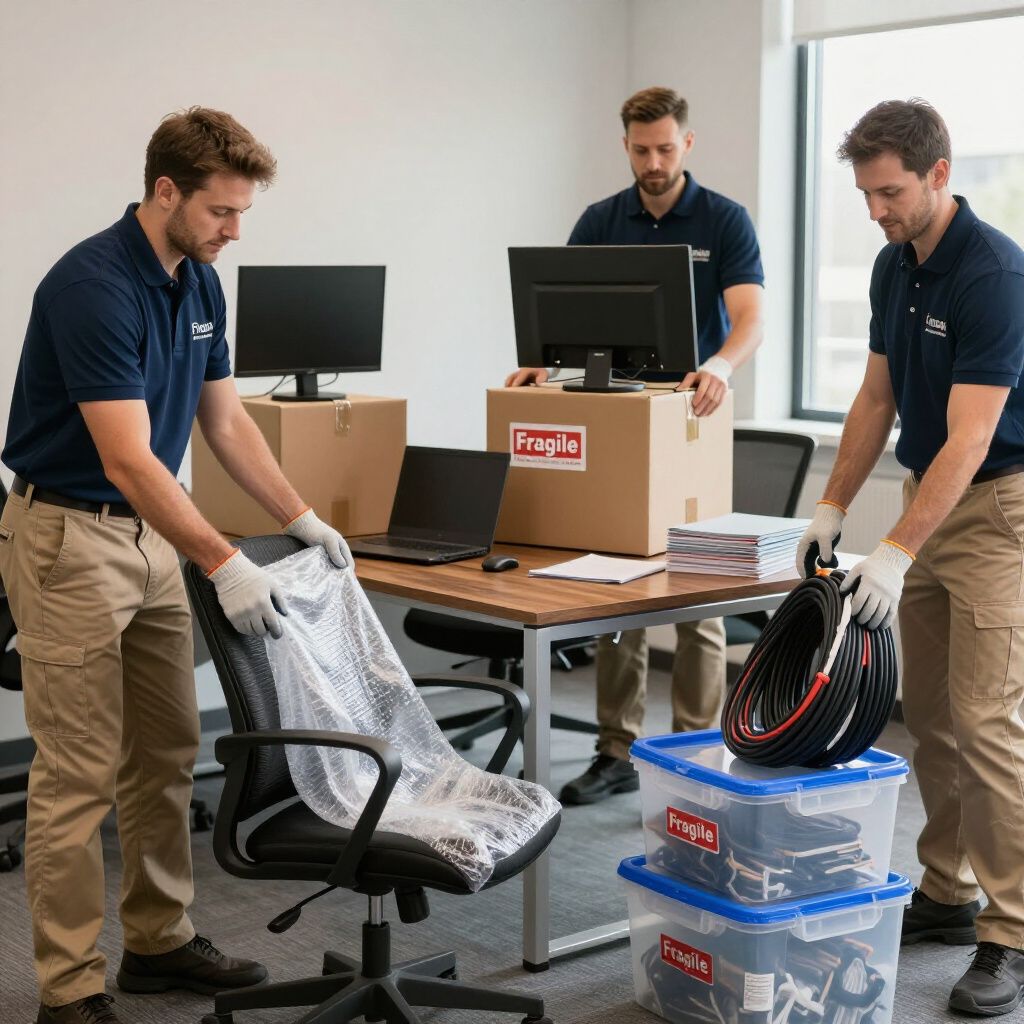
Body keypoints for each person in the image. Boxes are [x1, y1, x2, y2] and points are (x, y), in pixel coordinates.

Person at [0, 107, 353, 1024]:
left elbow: (225, 421)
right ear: (166, 192)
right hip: (71, 538)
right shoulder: (92, 286)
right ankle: (69, 987)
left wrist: (301, 516)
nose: (235, 232)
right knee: (76, 773)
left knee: (164, 753)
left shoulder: (200, 284)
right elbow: (125, 457)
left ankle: (157, 942)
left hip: (156, 538)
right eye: (222, 212)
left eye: (242, 213)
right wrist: (227, 557)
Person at [797, 98, 1024, 1017]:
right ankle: (946, 887)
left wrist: (891, 552)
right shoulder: (897, 267)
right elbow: (875, 398)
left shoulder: (995, 273)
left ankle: (1011, 932)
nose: (877, 211)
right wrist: (830, 506)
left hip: (998, 511)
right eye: (865, 193)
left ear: (939, 173)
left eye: (890, 192)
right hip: (924, 506)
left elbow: (972, 438)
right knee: (925, 713)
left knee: (989, 725)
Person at [506, 86, 765, 805]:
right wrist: (542, 363)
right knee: (611, 584)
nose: (653, 162)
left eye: (665, 147)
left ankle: (695, 751)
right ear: (625, 146)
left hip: (692, 416)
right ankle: (616, 750)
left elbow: (749, 317)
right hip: (616, 420)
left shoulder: (724, 220)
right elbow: (557, 311)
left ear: (688, 143)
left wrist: (718, 365)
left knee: (697, 595)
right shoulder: (600, 221)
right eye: (641, 149)